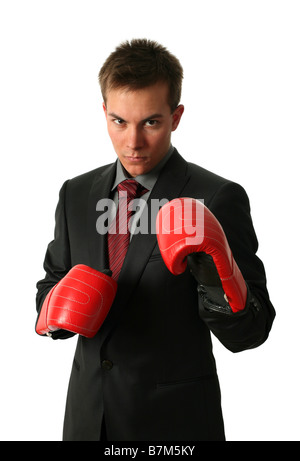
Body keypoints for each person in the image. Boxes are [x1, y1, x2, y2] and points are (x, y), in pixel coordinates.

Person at [35, 39, 275, 441]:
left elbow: (253, 331)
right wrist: (53, 309)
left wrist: (215, 278)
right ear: (104, 113)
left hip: (173, 424)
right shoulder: (75, 193)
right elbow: (52, 281)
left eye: (150, 122)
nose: (133, 142)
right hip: (87, 418)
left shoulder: (215, 197)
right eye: (118, 121)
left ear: (175, 116)